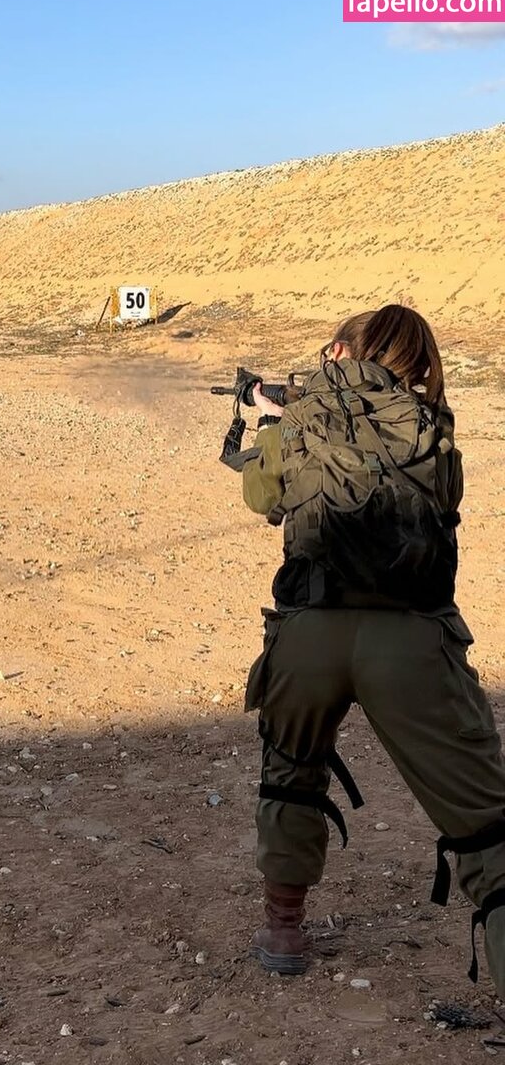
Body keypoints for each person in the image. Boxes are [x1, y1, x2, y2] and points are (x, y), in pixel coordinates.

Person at [240, 303, 505, 994]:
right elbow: (445, 502)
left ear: (338, 351)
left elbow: (262, 498)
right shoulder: (430, 427)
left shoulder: (302, 417)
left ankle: (283, 927)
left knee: (291, 770)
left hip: (310, 633)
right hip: (411, 641)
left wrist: (272, 420)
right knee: (486, 824)